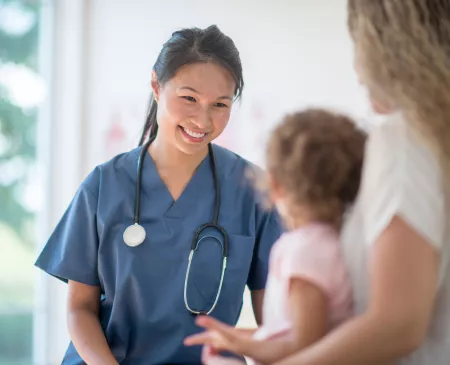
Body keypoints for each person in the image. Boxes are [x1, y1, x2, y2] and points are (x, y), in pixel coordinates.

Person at [201, 1, 450, 364]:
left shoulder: (404, 140)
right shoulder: (432, 137)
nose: (358, 72)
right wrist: (254, 340)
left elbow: (397, 324)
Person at [34, 25, 283, 365]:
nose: (203, 119)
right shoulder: (104, 185)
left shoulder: (254, 191)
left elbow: (275, 321)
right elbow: (80, 309)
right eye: (189, 98)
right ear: (156, 86)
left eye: (220, 104)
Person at [184, 109, 366, 364]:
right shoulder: (335, 243)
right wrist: (238, 339)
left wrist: (240, 352)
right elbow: (292, 332)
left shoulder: (304, 253)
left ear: (276, 185)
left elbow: (304, 348)